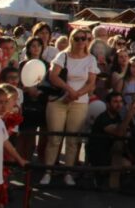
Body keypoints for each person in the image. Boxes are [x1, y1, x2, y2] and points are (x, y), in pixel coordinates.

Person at [40, 27, 99, 186]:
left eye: (85, 38)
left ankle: (68, 172)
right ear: (72, 39)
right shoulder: (62, 55)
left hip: (79, 102)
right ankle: (48, 171)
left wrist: (76, 95)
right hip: (59, 100)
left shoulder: (91, 59)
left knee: (73, 140)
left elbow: (91, 82)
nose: (82, 42)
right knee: (54, 138)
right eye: (78, 38)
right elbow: (53, 76)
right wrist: (69, 91)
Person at [86, 91, 135, 189]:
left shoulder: (118, 117)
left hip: (112, 151)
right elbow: (119, 133)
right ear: (108, 104)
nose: (119, 104)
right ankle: (105, 180)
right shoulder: (103, 118)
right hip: (100, 154)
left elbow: (128, 131)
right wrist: (129, 115)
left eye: (120, 102)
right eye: (115, 102)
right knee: (126, 163)